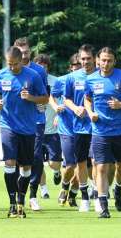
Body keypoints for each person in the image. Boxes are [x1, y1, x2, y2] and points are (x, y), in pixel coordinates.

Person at [84, 47, 121, 218]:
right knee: (101, 167)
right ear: (98, 61)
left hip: (120, 131)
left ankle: (118, 190)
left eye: (109, 60)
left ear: (114, 61)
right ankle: (103, 206)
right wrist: (90, 113)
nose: (105, 63)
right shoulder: (91, 79)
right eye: (103, 60)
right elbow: (87, 99)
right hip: (100, 131)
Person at [0, 46, 48, 218]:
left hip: (28, 127)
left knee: (26, 167)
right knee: (9, 162)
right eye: (9, 64)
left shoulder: (33, 76)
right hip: (8, 125)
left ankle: (22, 200)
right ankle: (12, 203)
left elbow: (44, 97)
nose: (12, 67)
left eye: (15, 64)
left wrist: (31, 98)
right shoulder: (0, 75)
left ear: (21, 61)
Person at [13, 37, 49, 211]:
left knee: (35, 157)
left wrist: (38, 101)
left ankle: (33, 195)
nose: (24, 55)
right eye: (20, 52)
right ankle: (17, 195)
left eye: (26, 52)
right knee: (17, 160)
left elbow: (45, 96)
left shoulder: (39, 71)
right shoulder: (9, 70)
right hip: (15, 122)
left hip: (36, 120)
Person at [63, 44, 97, 212]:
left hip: (99, 128)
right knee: (81, 162)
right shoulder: (72, 78)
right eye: (82, 59)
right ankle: (84, 197)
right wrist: (75, 108)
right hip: (79, 128)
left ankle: (98, 194)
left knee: (98, 162)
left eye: (88, 58)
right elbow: (66, 99)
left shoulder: (102, 76)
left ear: (95, 59)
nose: (85, 62)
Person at [50, 54, 82, 207]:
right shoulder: (62, 80)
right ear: (70, 67)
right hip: (67, 128)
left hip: (86, 129)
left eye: (80, 63)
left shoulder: (89, 79)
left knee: (83, 165)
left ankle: (74, 194)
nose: (78, 66)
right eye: (75, 64)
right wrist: (56, 108)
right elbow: (52, 96)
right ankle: (64, 186)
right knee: (70, 164)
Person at [33, 54, 62, 199]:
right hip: (36, 128)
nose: (41, 68)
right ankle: (43, 190)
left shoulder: (55, 81)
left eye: (44, 65)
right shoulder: (30, 79)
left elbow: (62, 101)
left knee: (54, 163)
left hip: (52, 129)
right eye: (38, 65)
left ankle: (57, 172)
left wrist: (59, 114)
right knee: (37, 162)